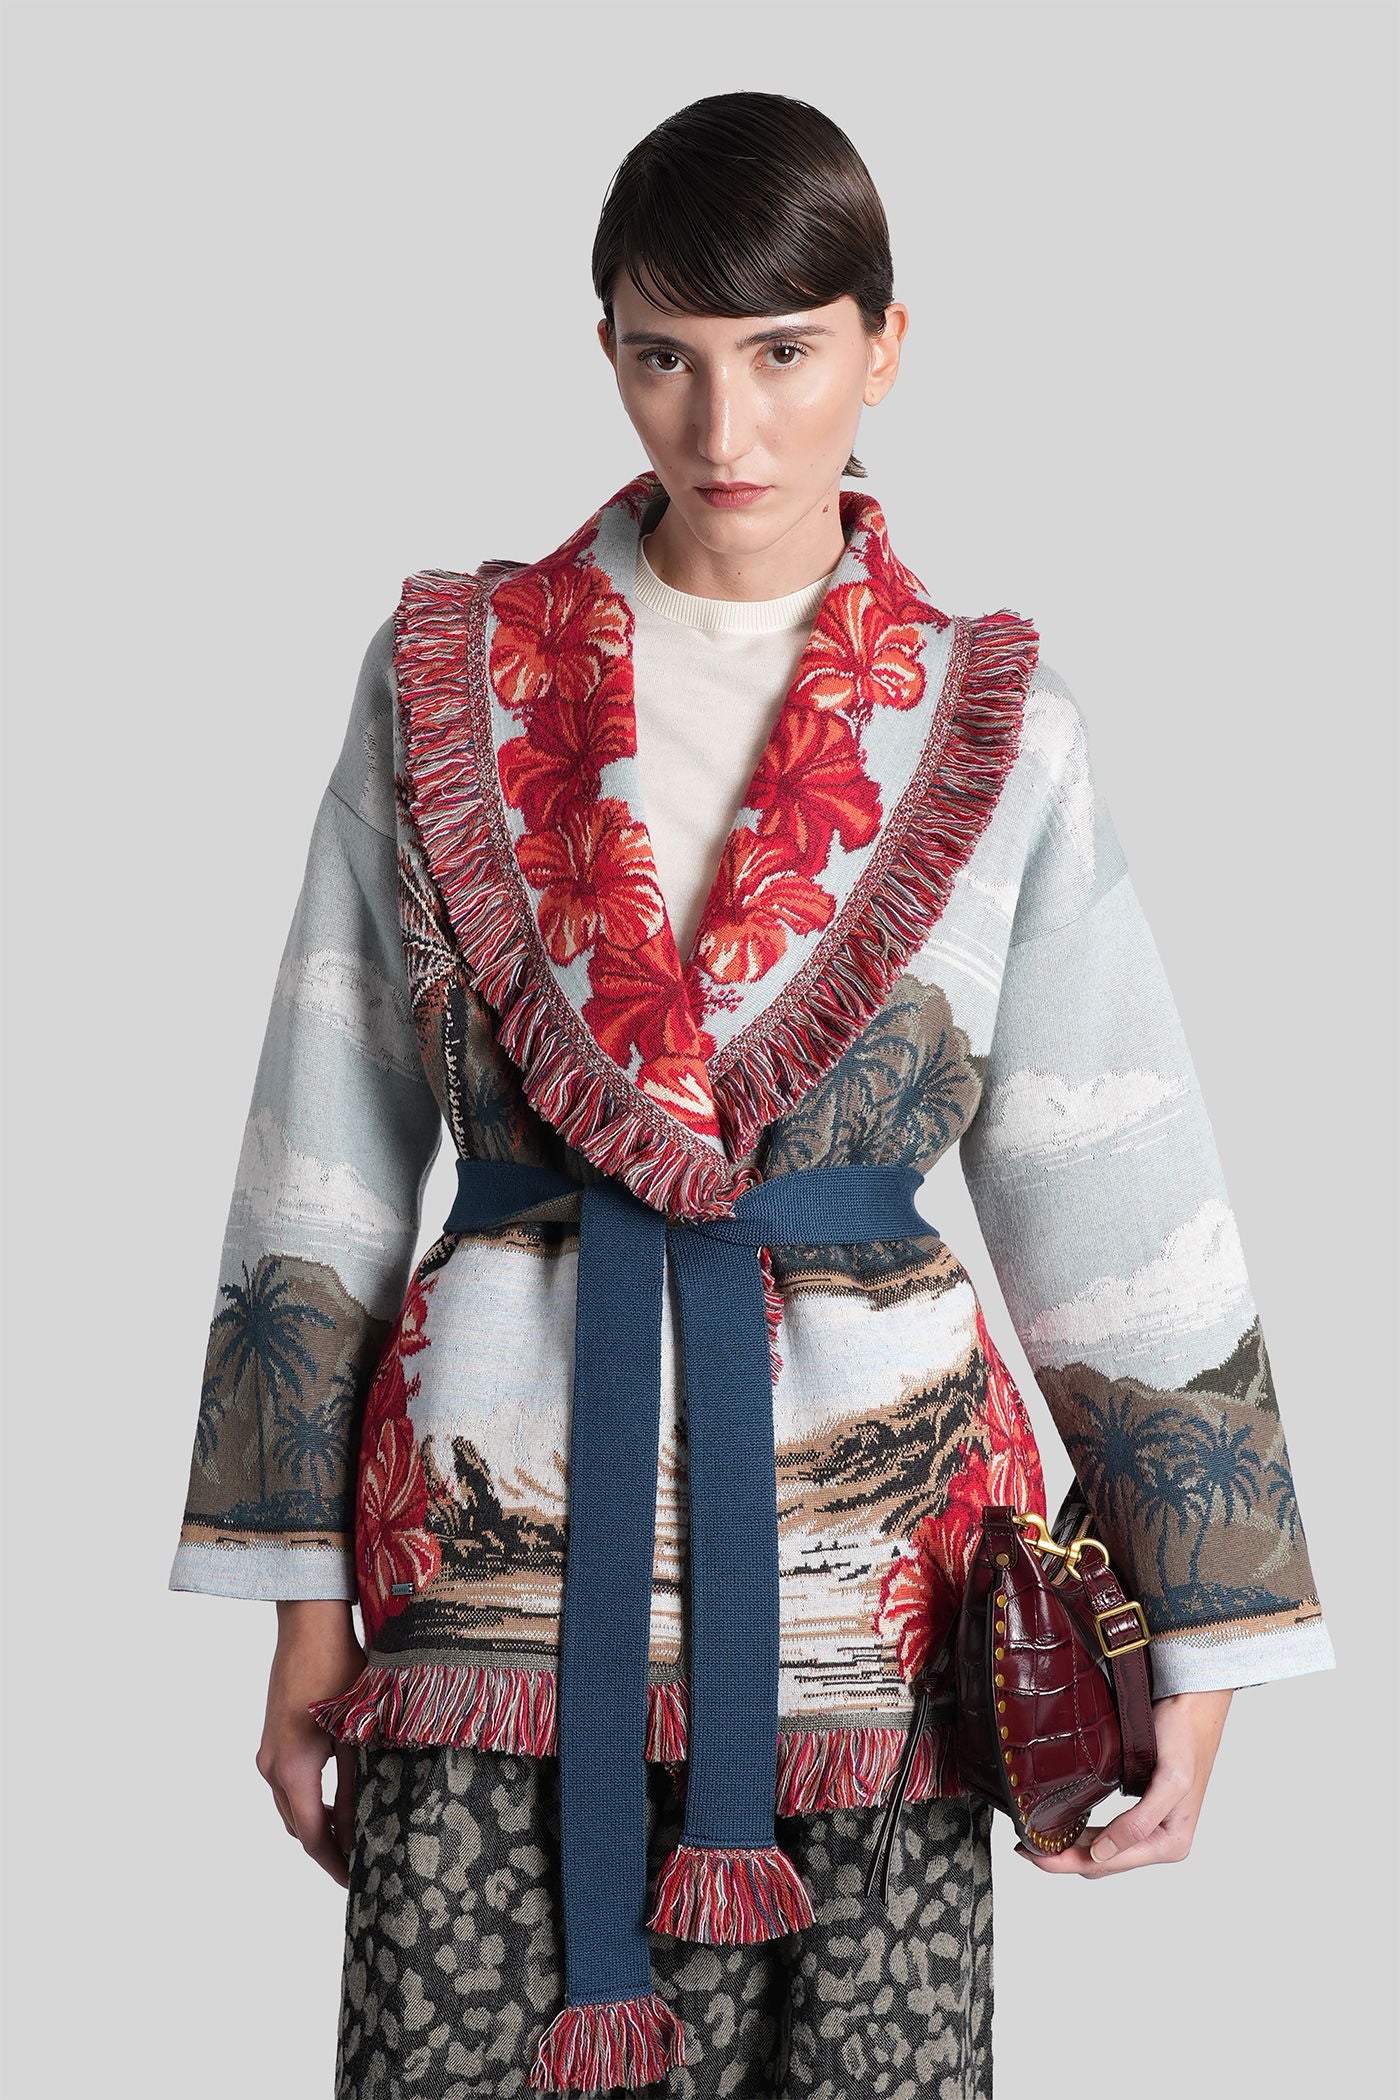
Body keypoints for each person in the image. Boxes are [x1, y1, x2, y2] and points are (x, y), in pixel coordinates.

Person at [168, 90, 1335, 2100]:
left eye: (785, 352)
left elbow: (1111, 1176)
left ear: (886, 345)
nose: (724, 427)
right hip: (491, 1556)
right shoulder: (447, 677)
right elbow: (323, 1142)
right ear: (606, 347)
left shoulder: (993, 721)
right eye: (665, 357)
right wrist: (297, 1612)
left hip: (879, 1602)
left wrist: (1202, 1642)